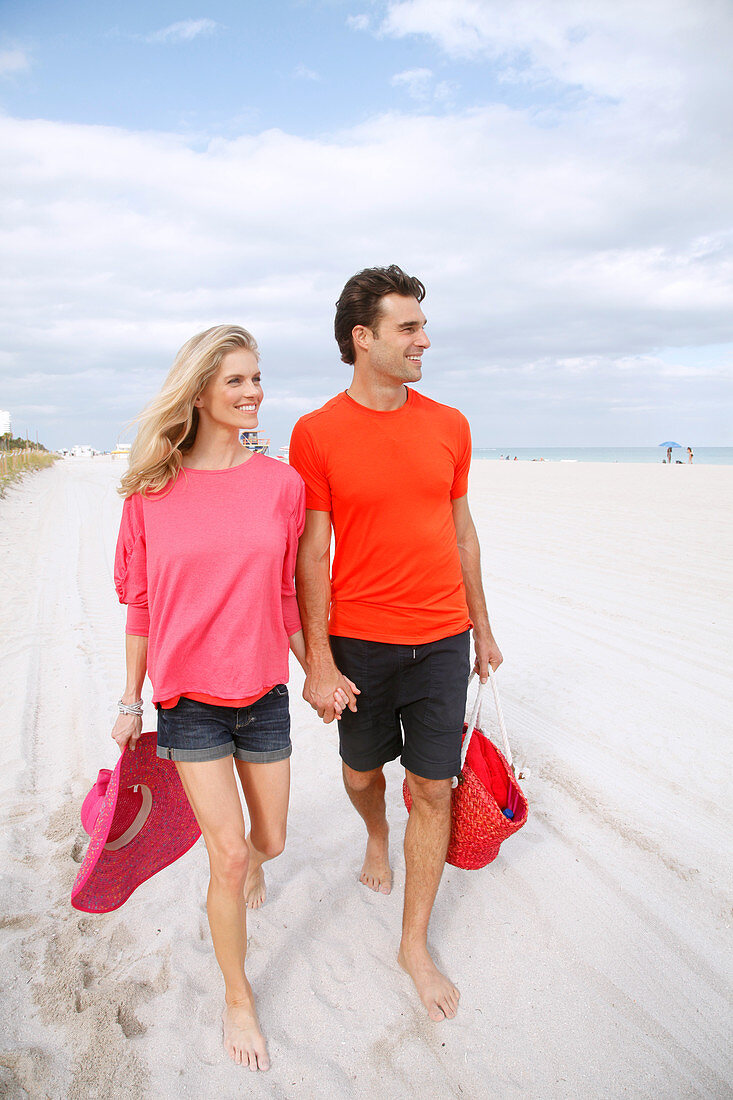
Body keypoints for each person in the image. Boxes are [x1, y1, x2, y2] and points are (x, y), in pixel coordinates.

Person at [111, 325, 346, 1071]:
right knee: (232, 855)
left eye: (256, 379)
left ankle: (254, 861)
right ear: (200, 392)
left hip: (263, 694)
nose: (252, 393)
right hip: (188, 702)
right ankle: (237, 996)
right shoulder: (151, 490)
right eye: (237, 381)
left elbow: (286, 597)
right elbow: (141, 605)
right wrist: (127, 700)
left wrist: (319, 670)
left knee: (268, 842)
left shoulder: (281, 486)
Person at [289, 265, 502, 1023]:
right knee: (358, 774)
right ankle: (375, 834)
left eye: (421, 325)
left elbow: (462, 533)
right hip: (360, 642)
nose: (424, 339)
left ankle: (412, 943)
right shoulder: (315, 432)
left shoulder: (449, 424)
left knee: (434, 787)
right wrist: (317, 658)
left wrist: (482, 626)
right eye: (407, 327)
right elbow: (313, 553)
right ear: (362, 338)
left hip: (443, 637)